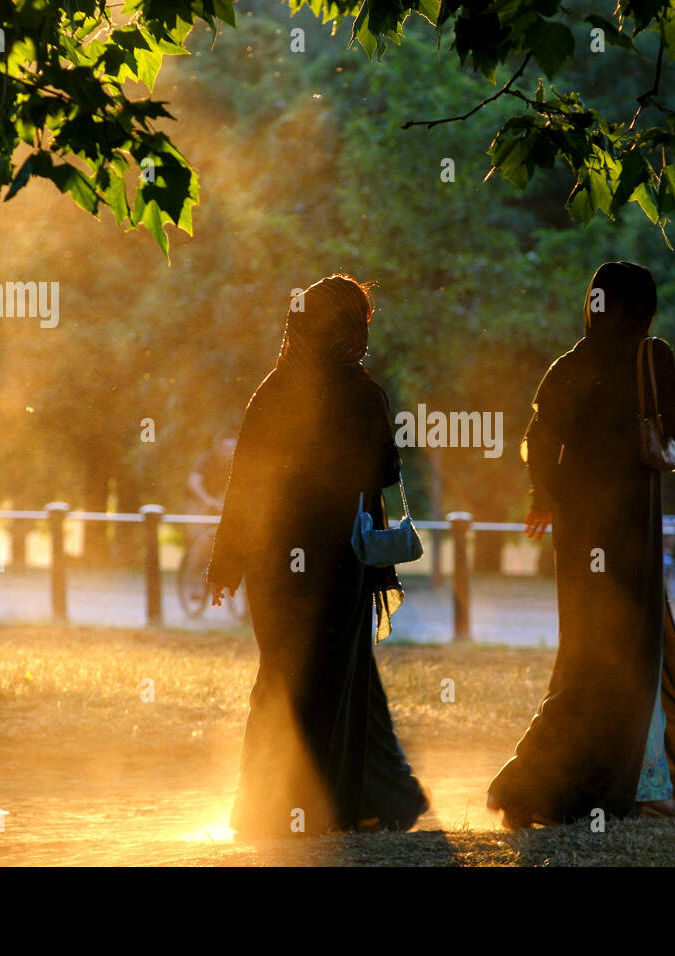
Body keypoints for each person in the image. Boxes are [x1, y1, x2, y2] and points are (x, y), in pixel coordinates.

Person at [487, 260, 675, 828]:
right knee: (632, 658)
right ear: (643, 309)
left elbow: (537, 437)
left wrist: (542, 499)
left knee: (585, 657)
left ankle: (546, 784)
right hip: (630, 534)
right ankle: (634, 783)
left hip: (578, 538)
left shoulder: (569, 365)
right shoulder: (652, 358)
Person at [205, 274, 428, 838]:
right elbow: (383, 474)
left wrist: (225, 562)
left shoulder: (271, 392)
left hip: (270, 563)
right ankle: (330, 807)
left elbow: (244, 485)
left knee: (281, 677)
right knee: (331, 679)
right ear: (349, 329)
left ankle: (273, 808)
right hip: (338, 562)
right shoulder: (362, 394)